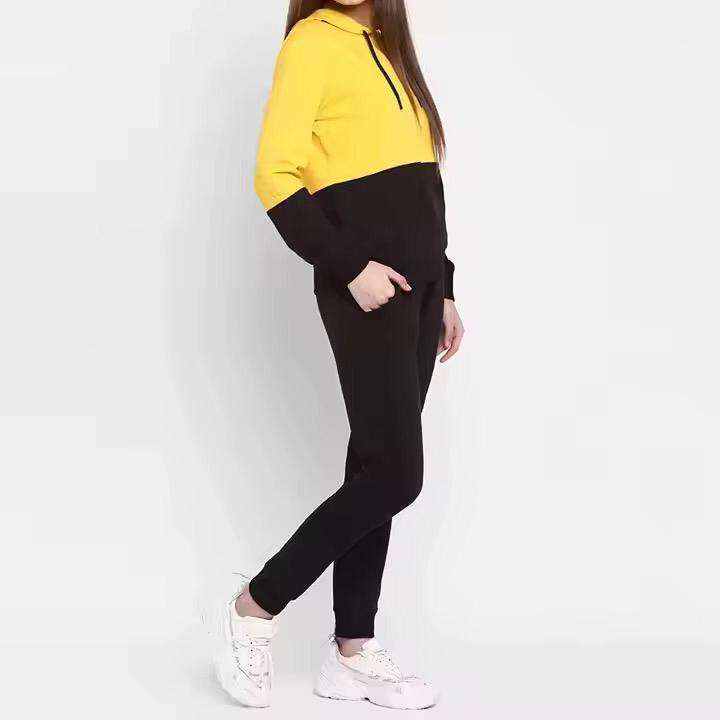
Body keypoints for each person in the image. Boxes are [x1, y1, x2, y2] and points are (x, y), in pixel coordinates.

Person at [215, 0, 464, 709]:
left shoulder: (387, 50)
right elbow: (274, 174)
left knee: (373, 467)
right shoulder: (311, 43)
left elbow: (421, 191)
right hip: (368, 290)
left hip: (418, 293)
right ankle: (255, 607)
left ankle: (352, 650)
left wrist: (445, 288)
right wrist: (350, 266)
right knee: (395, 476)